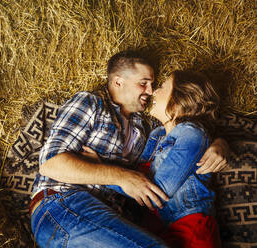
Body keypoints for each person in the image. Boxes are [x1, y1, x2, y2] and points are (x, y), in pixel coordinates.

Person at [30, 50, 228, 247]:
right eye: (144, 83)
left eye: (154, 85)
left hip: (112, 221)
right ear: (118, 82)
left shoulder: (144, 130)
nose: (150, 91)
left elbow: (187, 135)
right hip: (64, 205)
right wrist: (121, 177)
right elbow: (50, 165)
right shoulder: (91, 103)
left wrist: (220, 143)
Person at [103, 70, 222, 247]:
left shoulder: (192, 133)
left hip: (189, 227)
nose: (153, 92)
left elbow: (156, 192)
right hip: (156, 229)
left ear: (181, 98)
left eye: (161, 87)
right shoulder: (156, 135)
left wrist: (99, 170)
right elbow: (136, 175)